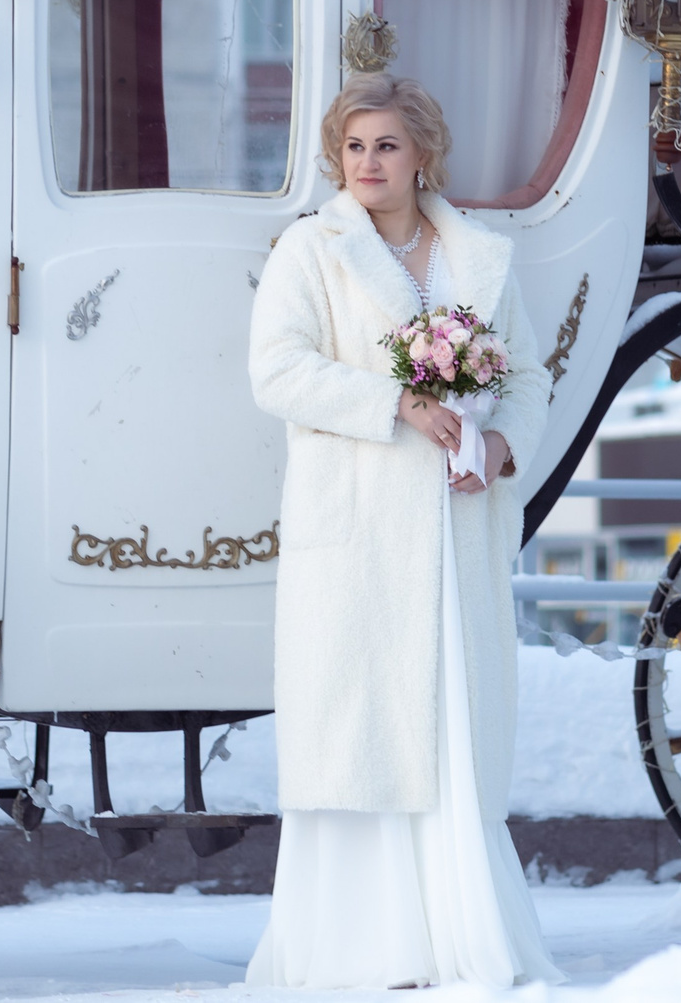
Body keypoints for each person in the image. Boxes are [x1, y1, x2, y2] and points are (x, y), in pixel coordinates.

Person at [246, 72, 558, 990]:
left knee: (453, 730)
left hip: (458, 532)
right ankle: (361, 949)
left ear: (422, 152)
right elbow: (277, 372)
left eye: (385, 144)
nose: (369, 163)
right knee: (362, 730)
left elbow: (531, 375)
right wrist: (400, 404)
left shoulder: (479, 257)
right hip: (361, 534)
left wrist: (500, 445)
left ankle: (455, 939)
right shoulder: (314, 249)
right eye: (353, 147)